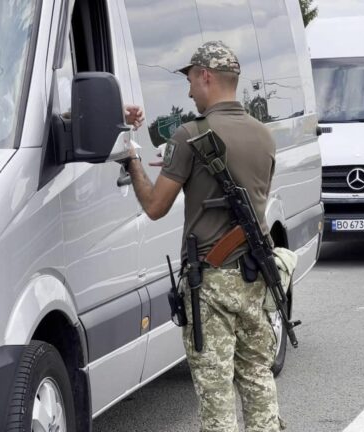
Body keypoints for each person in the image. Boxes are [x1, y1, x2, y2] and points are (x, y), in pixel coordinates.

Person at [126, 41, 283, 432]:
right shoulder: (265, 136)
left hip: (210, 282)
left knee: (216, 397)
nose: (189, 91)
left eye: (191, 80)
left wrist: (131, 162)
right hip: (256, 278)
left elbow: (155, 206)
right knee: (257, 377)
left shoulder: (190, 134)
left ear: (206, 76)